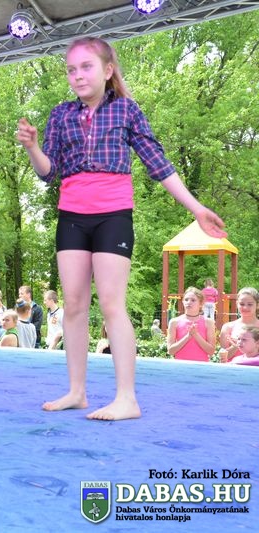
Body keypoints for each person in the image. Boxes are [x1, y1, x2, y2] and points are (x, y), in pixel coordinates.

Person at [16, 36, 226, 420]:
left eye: (86, 67)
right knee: (74, 305)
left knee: (112, 303)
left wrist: (196, 209)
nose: (78, 75)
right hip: (71, 216)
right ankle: (77, 391)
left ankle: (126, 398)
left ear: (107, 70)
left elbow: (157, 163)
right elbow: (49, 172)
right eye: (71, 69)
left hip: (113, 215)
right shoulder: (61, 115)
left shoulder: (126, 109)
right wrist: (33, 147)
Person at [167, 287, 216, 362]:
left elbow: (211, 351)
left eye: (193, 300)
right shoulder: (174, 322)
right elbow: (171, 351)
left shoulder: (208, 322)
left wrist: (196, 335)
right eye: (186, 299)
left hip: (201, 366)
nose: (189, 302)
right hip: (180, 365)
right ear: (183, 302)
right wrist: (188, 336)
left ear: (200, 303)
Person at [218, 287, 259, 362]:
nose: (245, 307)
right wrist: (236, 345)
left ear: (257, 305)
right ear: (237, 304)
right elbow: (223, 358)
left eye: (250, 304)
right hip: (233, 368)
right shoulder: (228, 327)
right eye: (242, 304)